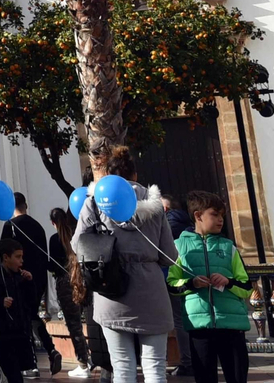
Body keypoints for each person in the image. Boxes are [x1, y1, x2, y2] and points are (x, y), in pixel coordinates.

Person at [72, 145, 176, 383]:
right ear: (135, 175)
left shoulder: (95, 203)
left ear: (108, 176)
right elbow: (169, 255)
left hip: (112, 289)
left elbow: (78, 245)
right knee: (155, 366)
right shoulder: (156, 205)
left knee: (122, 366)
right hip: (151, 292)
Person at [167, 192, 251, 383]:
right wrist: (192, 283)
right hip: (200, 328)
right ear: (198, 216)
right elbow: (171, 284)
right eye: (215, 214)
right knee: (205, 378)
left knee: (237, 378)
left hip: (231, 326)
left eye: (222, 215)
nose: (221, 220)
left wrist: (228, 281)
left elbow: (246, 287)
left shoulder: (229, 247)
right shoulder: (179, 247)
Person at [2, 192, 58, 375]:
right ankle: (50, 349)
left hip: (18, 279)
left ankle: (31, 364)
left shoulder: (10, 226)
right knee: (32, 315)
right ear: (26, 205)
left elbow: (2, 253)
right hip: (37, 279)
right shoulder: (38, 226)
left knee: (23, 320)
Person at [0, 238, 38, 383]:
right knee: (13, 373)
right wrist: (0, 302)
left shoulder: (19, 276)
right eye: (17, 257)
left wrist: (30, 282)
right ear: (6, 258)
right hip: (3, 330)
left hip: (20, 329)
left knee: (20, 365)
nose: (21, 261)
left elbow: (31, 301)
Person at [49, 208, 92, 378]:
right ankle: (87, 357)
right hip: (81, 280)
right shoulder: (76, 235)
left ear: (53, 223)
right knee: (81, 322)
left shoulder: (54, 239)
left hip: (65, 284)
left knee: (74, 326)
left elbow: (53, 265)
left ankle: (83, 363)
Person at [161, 195, 195, 377]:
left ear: (165, 208)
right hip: (189, 276)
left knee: (177, 320)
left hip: (171, 276)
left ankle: (187, 362)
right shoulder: (186, 222)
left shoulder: (169, 223)